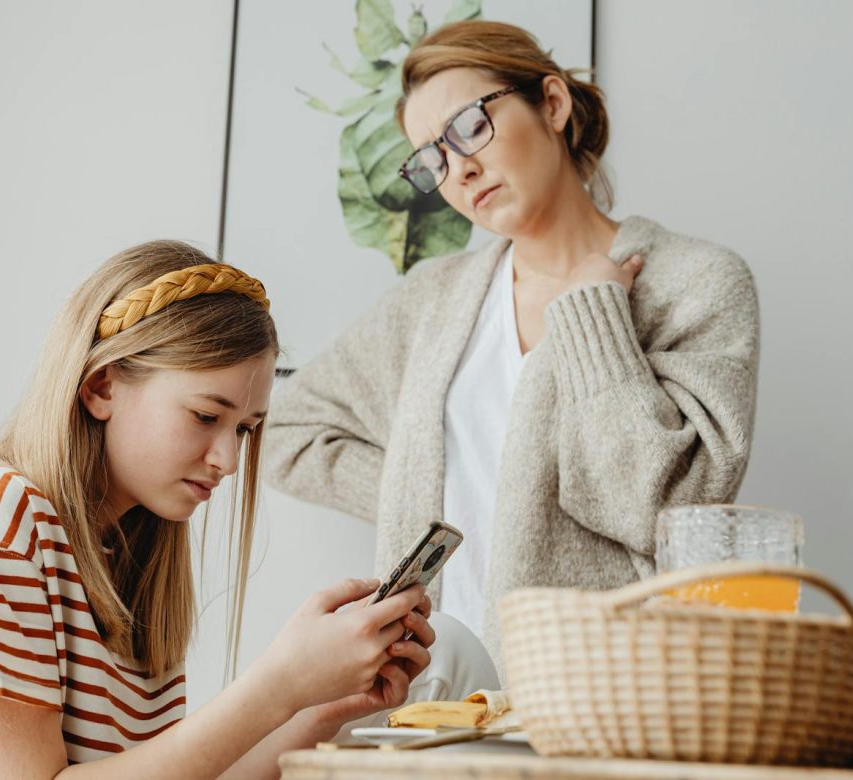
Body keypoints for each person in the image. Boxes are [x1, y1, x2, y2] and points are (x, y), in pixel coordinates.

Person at [264, 20, 761, 675]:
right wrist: (424, 491)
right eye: (432, 159)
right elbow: (288, 430)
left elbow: (665, 510)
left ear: (552, 104)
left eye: (470, 126)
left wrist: (594, 311)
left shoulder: (694, 282)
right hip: (432, 702)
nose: (459, 168)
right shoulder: (432, 302)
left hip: (608, 699)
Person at [0, 241, 435, 779]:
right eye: (206, 417)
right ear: (102, 387)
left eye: (244, 429)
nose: (229, 460)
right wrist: (279, 683)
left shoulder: (128, 552)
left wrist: (320, 707)